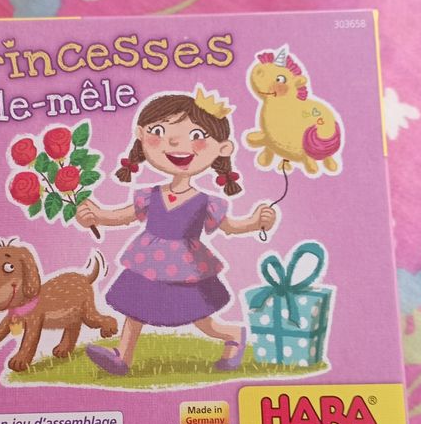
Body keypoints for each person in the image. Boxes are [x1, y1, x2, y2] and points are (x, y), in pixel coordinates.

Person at [76, 88, 276, 376]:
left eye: (197, 136)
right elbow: (121, 216)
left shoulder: (206, 202)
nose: (174, 143)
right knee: (134, 310)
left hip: (186, 268)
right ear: (141, 135)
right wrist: (96, 215)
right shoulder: (149, 195)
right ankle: (122, 357)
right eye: (159, 131)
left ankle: (233, 334)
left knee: (200, 318)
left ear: (222, 148)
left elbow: (231, 227)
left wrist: (256, 222)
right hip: (146, 263)